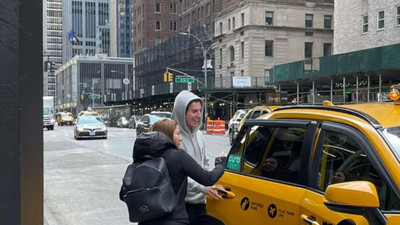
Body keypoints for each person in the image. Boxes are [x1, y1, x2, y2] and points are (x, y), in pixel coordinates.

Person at [133, 118, 227, 225]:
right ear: (167, 135)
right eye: (178, 134)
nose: (181, 138)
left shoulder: (143, 157)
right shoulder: (177, 156)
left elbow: (125, 193)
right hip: (174, 220)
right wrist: (221, 163)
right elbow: (208, 179)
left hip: (146, 220)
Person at [171, 90, 226, 225]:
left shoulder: (199, 136)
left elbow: (204, 163)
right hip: (181, 205)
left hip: (200, 203)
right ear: (182, 112)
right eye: (194, 111)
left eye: (200, 110)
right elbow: (178, 175)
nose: (199, 115)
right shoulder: (175, 138)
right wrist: (203, 188)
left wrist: (204, 186)